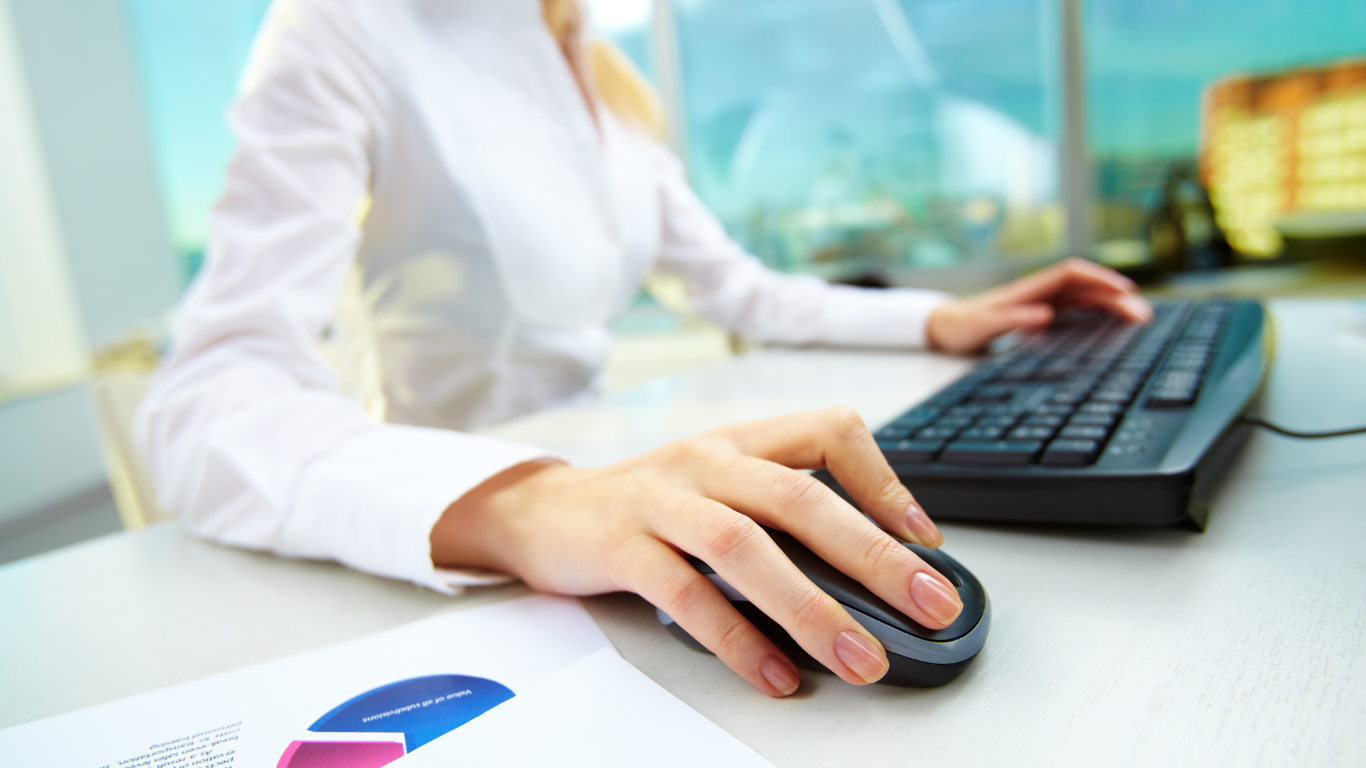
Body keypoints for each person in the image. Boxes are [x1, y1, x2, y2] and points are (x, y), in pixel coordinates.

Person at [136, 0, 1151, 699]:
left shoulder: (611, 86)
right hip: (431, 523)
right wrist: (531, 499)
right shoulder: (350, 27)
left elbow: (736, 288)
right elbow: (206, 401)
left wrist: (941, 321)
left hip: (612, 488)